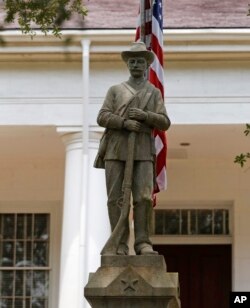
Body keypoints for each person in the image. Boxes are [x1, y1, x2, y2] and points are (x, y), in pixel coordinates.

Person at [95, 41, 171, 255]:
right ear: (128, 64)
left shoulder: (153, 92)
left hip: (143, 149)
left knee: (143, 197)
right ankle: (118, 243)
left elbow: (164, 122)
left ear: (147, 65)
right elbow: (102, 116)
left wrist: (145, 116)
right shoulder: (115, 90)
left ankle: (142, 243)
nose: (136, 64)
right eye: (132, 61)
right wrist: (123, 123)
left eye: (140, 61)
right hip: (116, 148)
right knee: (115, 198)